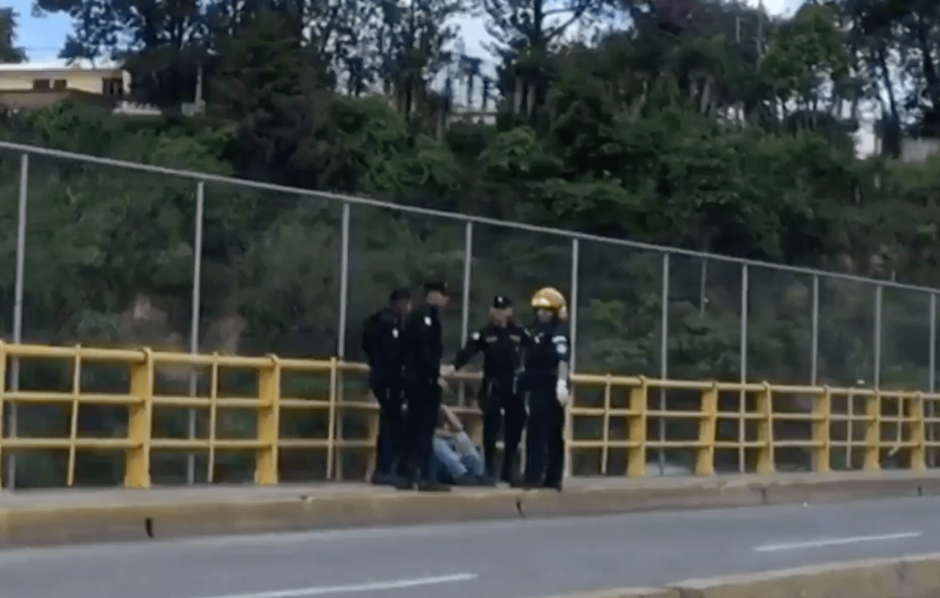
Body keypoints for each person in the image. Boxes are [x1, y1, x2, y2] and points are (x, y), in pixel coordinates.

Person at [441, 295, 529, 485]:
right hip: (493, 384)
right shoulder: (485, 333)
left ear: (509, 311)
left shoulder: (519, 332)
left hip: (514, 384)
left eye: (503, 309)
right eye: (496, 308)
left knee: (515, 427)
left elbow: (534, 350)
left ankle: (509, 471)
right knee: (491, 427)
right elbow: (468, 351)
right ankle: (489, 470)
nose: (499, 312)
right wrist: (454, 366)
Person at [398, 281, 451, 491]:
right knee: (420, 429)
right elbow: (420, 352)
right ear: (432, 295)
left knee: (422, 429)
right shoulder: (421, 318)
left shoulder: (432, 318)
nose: (446, 300)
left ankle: (415, 474)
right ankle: (421, 475)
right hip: (419, 382)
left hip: (424, 382)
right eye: (443, 294)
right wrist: (434, 374)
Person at [522, 286, 571, 491]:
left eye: (547, 310)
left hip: (551, 386)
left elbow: (562, 359)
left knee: (551, 433)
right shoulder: (533, 330)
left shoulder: (558, 332)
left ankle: (553, 476)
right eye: (539, 310)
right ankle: (532, 475)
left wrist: (561, 384)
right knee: (534, 432)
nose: (542, 314)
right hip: (535, 385)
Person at [362, 288, 412, 485]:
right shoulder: (387, 322)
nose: (406, 307)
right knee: (391, 423)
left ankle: (390, 468)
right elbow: (392, 352)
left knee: (393, 422)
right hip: (388, 377)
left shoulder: (385, 321)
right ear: (396, 303)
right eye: (404, 303)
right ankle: (384, 469)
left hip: (385, 376)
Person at [432, 404, 486, 485]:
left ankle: (476, 472)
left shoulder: (439, 408)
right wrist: (447, 434)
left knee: (461, 435)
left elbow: (458, 428)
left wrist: (446, 412)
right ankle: (460, 474)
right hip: (435, 459)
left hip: (448, 444)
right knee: (436, 442)